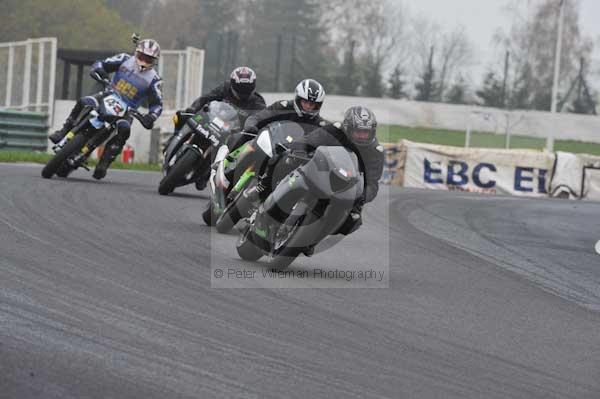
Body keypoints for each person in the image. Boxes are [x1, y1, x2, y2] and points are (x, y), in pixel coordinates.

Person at [248, 106, 384, 255]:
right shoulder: (336, 130)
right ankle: (263, 187)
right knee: (283, 158)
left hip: (347, 187)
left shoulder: (375, 151)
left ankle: (313, 240)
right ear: (348, 127)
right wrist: (298, 148)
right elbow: (310, 140)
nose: (362, 136)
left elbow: (372, 182)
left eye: (366, 132)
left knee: (353, 220)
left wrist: (363, 196)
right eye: (359, 132)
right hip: (319, 169)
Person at [49, 38, 163, 180]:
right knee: (84, 102)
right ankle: (64, 131)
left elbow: (157, 104)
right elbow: (101, 63)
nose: (144, 62)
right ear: (136, 53)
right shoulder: (124, 58)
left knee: (124, 129)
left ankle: (104, 162)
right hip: (108, 94)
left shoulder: (155, 80)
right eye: (142, 57)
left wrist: (151, 116)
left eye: (149, 59)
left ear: (155, 61)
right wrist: (99, 71)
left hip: (128, 110)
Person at [174, 66, 265, 129]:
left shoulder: (258, 103)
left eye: (246, 92)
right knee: (181, 116)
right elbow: (206, 98)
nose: (242, 95)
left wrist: (252, 129)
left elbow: (262, 123)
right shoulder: (225, 88)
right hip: (213, 123)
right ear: (232, 86)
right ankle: (173, 141)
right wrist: (193, 109)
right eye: (239, 92)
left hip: (234, 137)